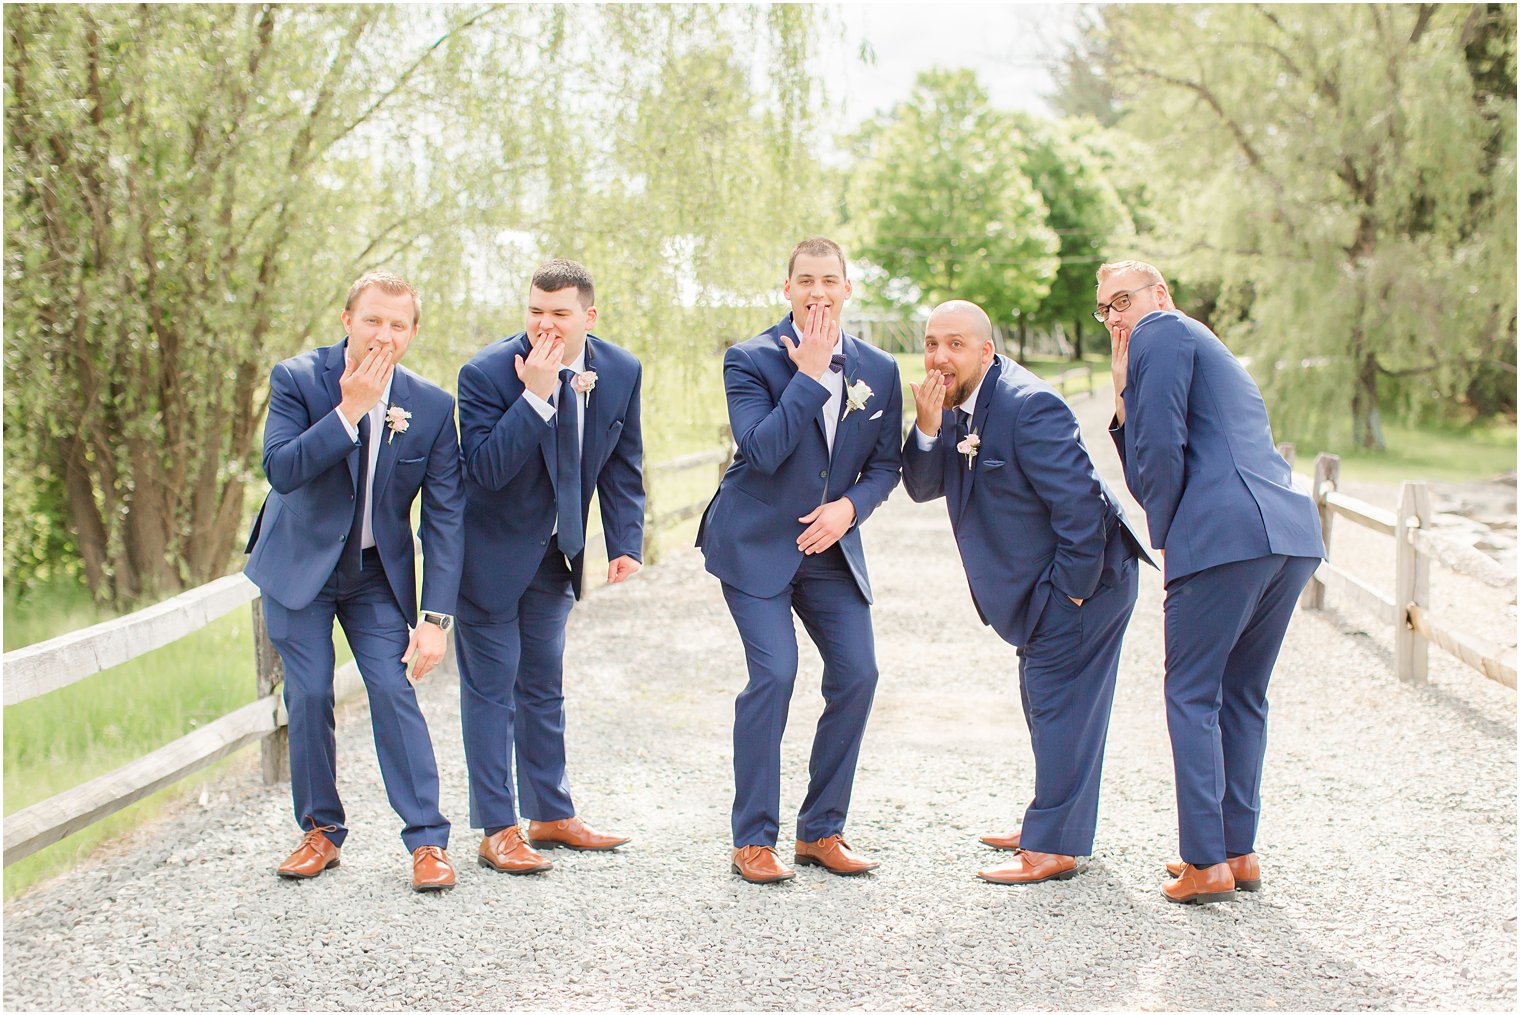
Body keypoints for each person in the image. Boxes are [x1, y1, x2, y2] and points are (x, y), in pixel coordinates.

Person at [1099, 259, 1324, 904]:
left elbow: (1162, 449)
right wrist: (1121, 395)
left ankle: (1205, 863)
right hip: (1285, 534)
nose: (1117, 318)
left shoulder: (1162, 331)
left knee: (1191, 693)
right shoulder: (1195, 341)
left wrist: (1168, 538)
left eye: (1124, 300)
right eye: (1106, 309)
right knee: (1242, 692)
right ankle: (1237, 853)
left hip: (1223, 535)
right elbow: (1155, 448)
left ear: (1158, 294)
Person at [901, 300, 1148, 885]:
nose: (940, 356)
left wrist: (1069, 597)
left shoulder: (1027, 405)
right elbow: (923, 486)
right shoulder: (960, 404)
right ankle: (1049, 820)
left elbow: (1081, 510)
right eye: (933, 343)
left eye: (955, 344)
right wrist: (929, 427)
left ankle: (1052, 847)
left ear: (987, 350)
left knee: (1060, 702)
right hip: (1045, 586)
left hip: (1087, 583)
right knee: (1046, 701)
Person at [245, 270, 463, 892]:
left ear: (414, 333)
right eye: (372, 320)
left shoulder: (430, 406)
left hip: (374, 575)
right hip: (299, 569)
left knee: (393, 689)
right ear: (347, 321)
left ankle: (427, 842)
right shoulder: (297, 379)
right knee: (310, 694)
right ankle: (320, 831)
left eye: (398, 325)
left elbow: (444, 519)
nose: (383, 336)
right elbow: (282, 471)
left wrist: (435, 619)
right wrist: (350, 411)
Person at [696, 237, 903, 884]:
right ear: (786, 289)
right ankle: (753, 838)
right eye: (805, 280)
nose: (818, 291)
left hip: (829, 545)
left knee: (859, 673)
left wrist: (850, 508)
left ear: (847, 289)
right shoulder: (750, 359)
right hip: (754, 541)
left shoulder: (880, 369)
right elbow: (762, 449)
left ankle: (820, 830)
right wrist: (810, 375)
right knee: (775, 675)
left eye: (829, 280)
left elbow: (886, 465)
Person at [455, 259, 645, 875]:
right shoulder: (485, 373)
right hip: (487, 558)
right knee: (492, 693)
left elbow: (622, 460)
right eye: (535, 311)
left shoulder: (619, 369)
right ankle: (498, 827)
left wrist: (625, 540)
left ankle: (550, 814)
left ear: (588, 316)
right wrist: (535, 394)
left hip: (557, 554)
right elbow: (486, 470)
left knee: (543, 687)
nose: (545, 325)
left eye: (559, 314)